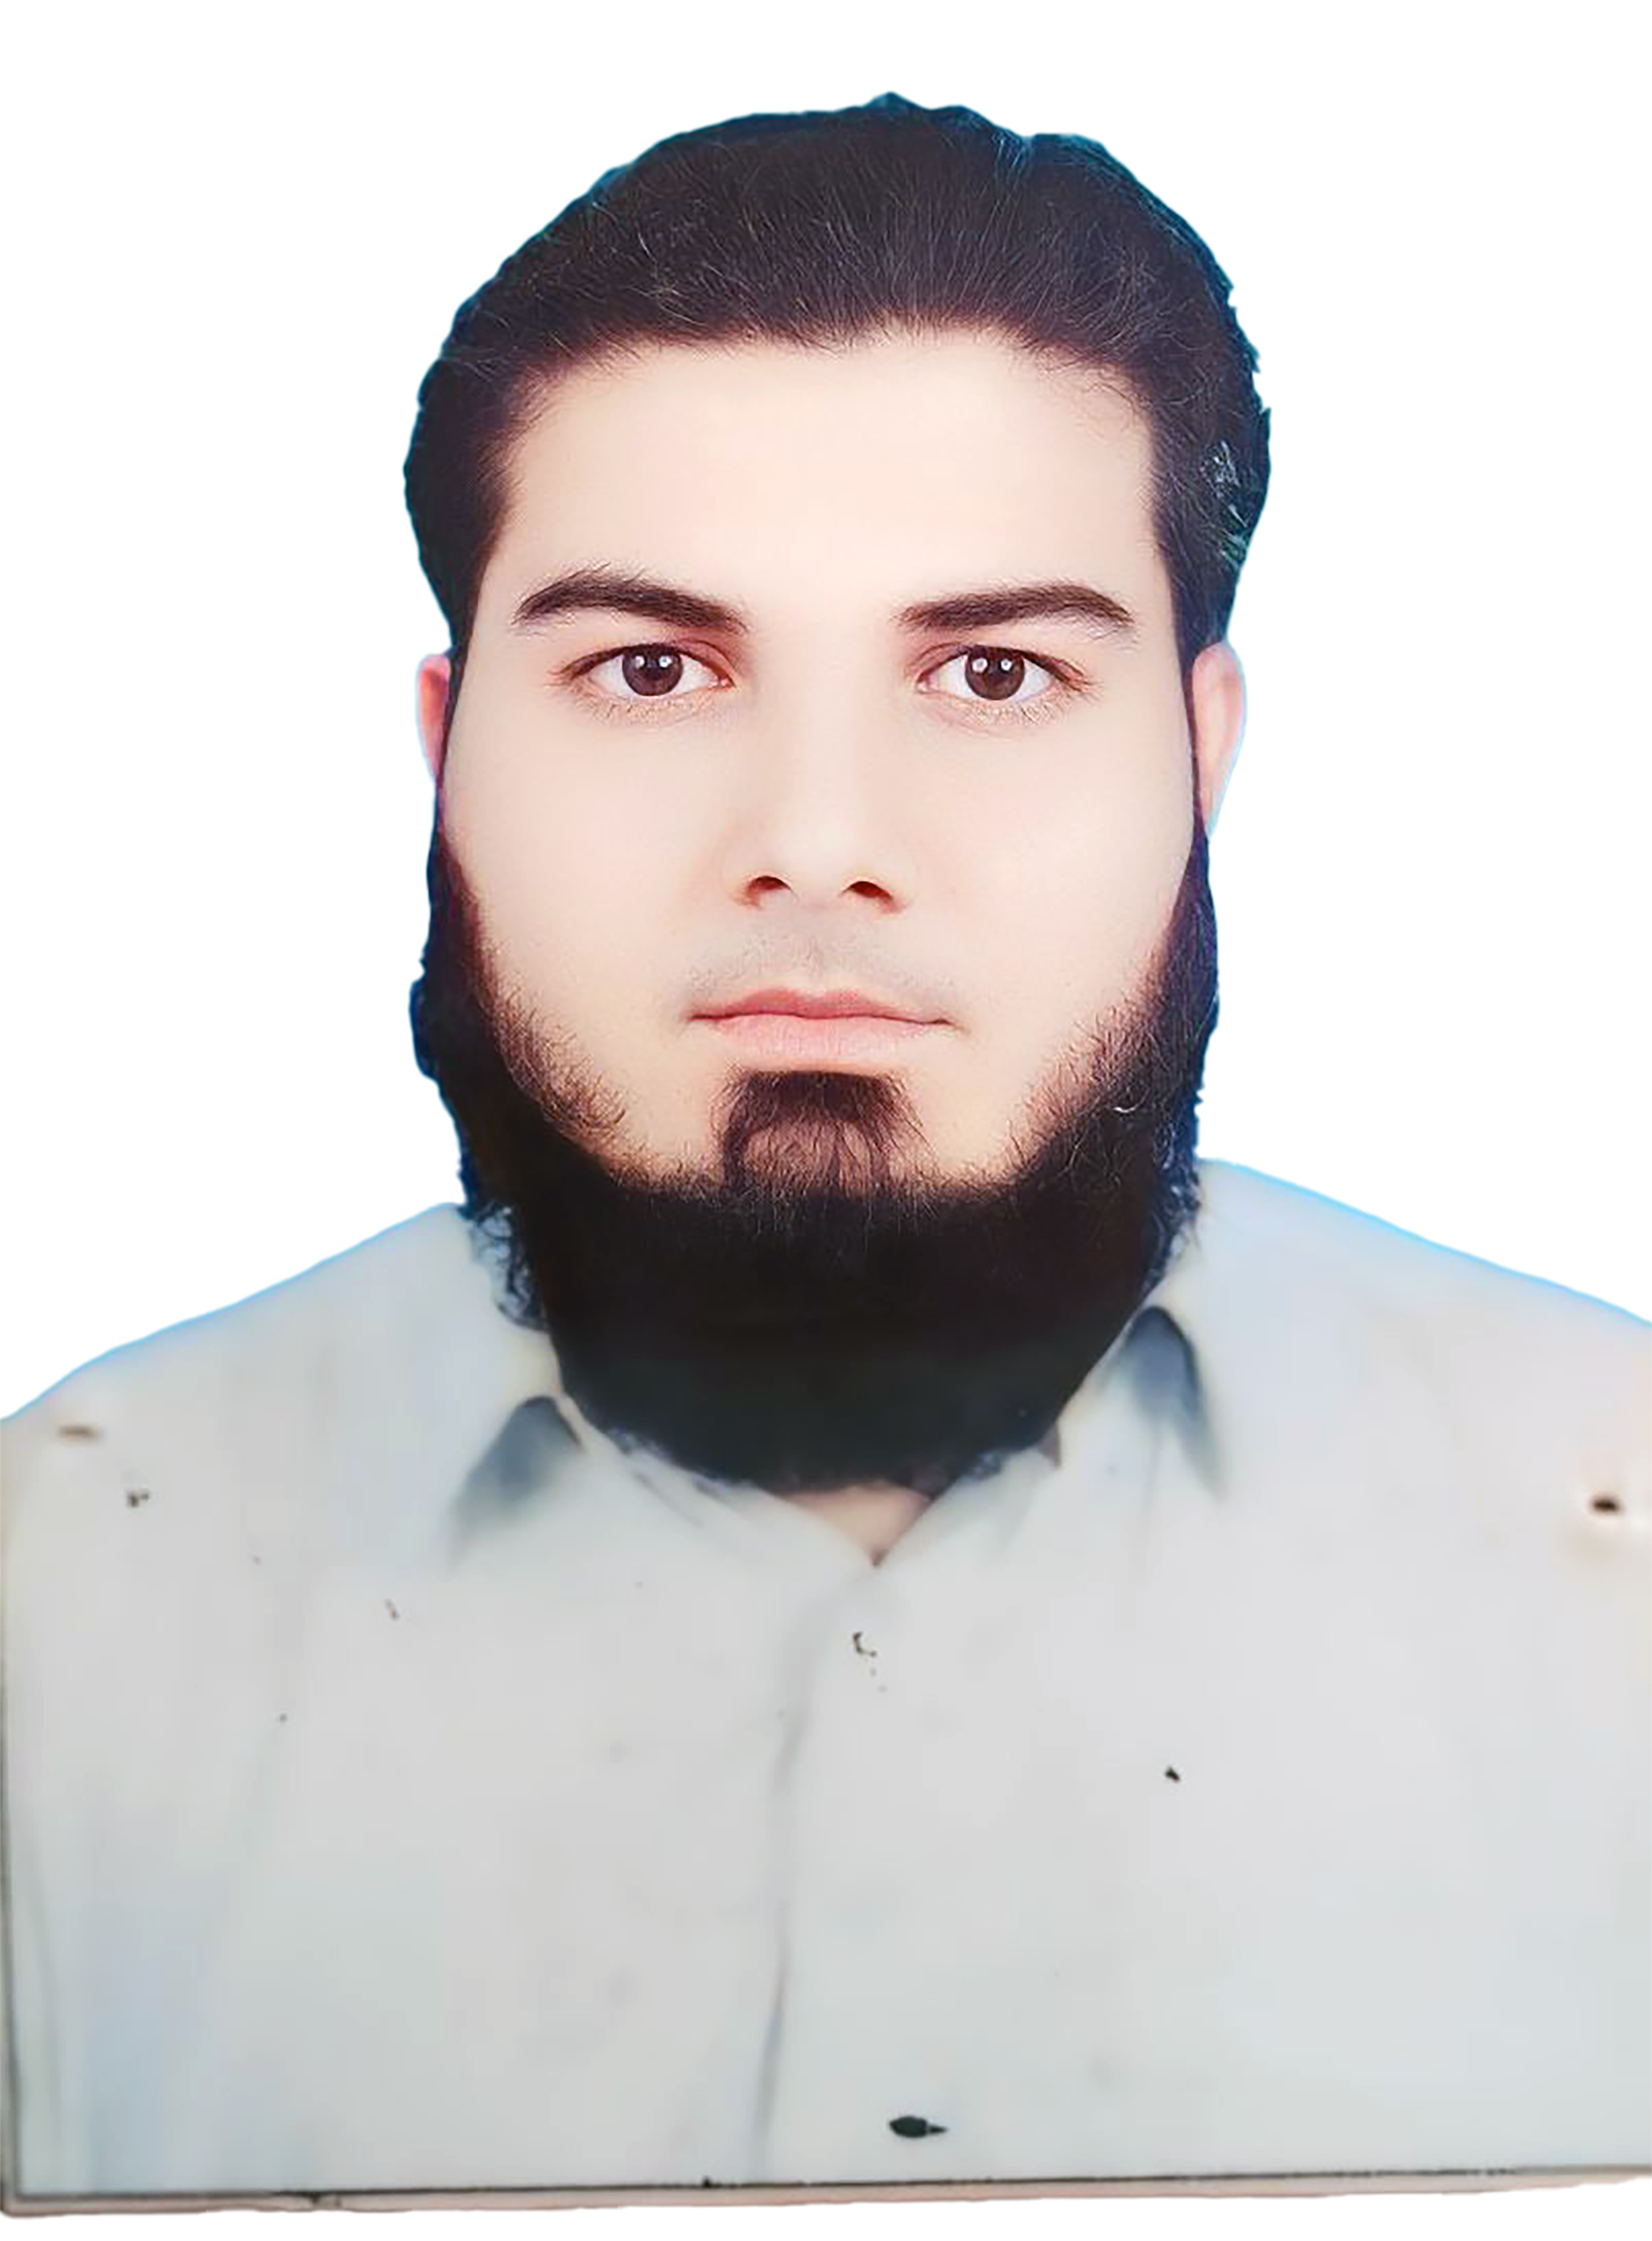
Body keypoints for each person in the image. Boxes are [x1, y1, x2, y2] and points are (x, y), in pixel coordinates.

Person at [3, 91, 1650, 2204]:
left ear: (1201, 754)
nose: (815, 841)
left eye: (994, 670)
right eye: (651, 666)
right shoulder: (58, 1595)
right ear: (446, 751)